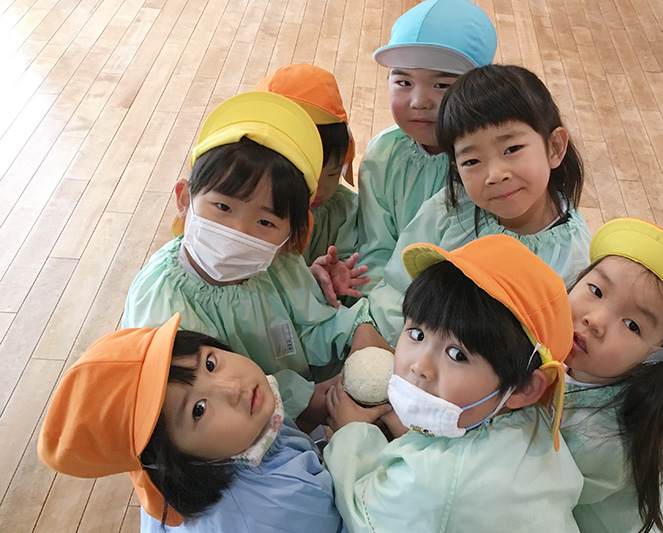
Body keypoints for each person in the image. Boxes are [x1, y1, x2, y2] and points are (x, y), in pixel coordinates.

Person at [122, 91, 388, 424]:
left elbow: (309, 327)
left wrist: (356, 328)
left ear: (292, 235)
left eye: (265, 222)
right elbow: (200, 409)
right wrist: (306, 401)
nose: (239, 231)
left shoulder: (278, 267)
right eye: (223, 207)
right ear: (184, 199)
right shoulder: (162, 305)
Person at [323, 235, 583, 532]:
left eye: (457, 355)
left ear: (523, 389)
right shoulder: (531, 421)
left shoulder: (435, 480)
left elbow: (363, 513)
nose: (420, 366)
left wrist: (351, 433)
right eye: (417, 334)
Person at [37, 314, 344, 532]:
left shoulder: (242, 431)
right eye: (198, 410)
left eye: (210, 363)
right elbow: (353, 517)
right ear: (175, 461)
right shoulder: (272, 510)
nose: (232, 388)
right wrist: (350, 436)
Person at [367, 64, 590, 346]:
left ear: (555, 147)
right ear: (456, 169)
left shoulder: (576, 259)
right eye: (472, 161)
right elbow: (396, 288)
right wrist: (377, 341)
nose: (495, 174)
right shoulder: (449, 211)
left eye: (512, 149)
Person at [561, 217, 663, 532]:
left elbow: (529, 487)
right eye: (596, 290)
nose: (595, 320)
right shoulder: (587, 364)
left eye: (632, 325)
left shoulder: (604, 440)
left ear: (657, 360)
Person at [355, 0, 497, 295]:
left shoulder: (492, 166)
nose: (419, 101)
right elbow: (376, 248)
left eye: (442, 85)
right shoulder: (383, 153)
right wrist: (374, 306)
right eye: (404, 82)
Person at [255, 63, 367, 307]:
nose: (321, 190)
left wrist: (335, 279)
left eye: (333, 174)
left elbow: (350, 260)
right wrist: (306, 278)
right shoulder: (253, 216)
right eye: (308, 177)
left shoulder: (343, 209)